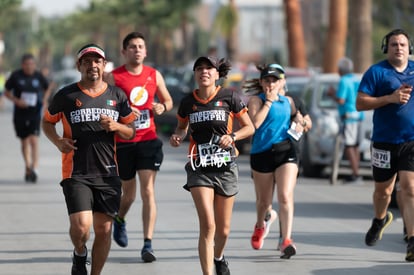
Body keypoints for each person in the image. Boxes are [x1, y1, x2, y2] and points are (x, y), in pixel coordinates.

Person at [42, 44, 136, 275]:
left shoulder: (117, 95)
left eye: (97, 61)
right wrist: (57, 141)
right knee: (81, 228)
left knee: (104, 231)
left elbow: (130, 130)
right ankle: (80, 252)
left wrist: (116, 126)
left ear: (104, 65)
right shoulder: (66, 95)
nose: (92, 66)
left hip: (108, 173)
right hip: (76, 172)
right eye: (87, 61)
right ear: (79, 66)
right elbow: (47, 122)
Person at [169, 56, 254, 275]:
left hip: (225, 167)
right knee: (208, 225)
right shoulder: (188, 102)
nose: (204, 72)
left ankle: (219, 256)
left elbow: (249, 128)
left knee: (223, 230)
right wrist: (177, 137)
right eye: (199, 68)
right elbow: (181, 128)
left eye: (209, 68)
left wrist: (233, 136)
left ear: (217, 74)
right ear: (195, 74)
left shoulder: (230, 97)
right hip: (199, 168)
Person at [105, 31, 173, 262]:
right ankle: (120, 219)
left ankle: (147, 244)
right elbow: (104, 104)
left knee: (148, 191)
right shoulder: (113, 77)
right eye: (132, 46)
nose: (137, 50)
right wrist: (122, 112)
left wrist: (162, 108)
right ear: (124, 51)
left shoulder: (154, 75)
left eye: (140, 46)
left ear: (146, 51)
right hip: (123, 142)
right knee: (129, 195)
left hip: (148, 140)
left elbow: (168, 100)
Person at [356, 28, 414, 262]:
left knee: (410, 188)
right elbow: (360, 103)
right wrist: (389, 99)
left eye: (402, 44)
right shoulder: (376, 72)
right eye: (394, 45)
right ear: (386, 48)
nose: (398, 48)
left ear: (409, 48)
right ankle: (380, 219)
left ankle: (412, 240)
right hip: (383, 142)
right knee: (384, 191)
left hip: (411, 141)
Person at [244, 63, 306, 259]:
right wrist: (269, 102)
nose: (271, 84)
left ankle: (286, 239)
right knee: (263, 202)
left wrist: (302, 123)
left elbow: (302, 119)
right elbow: (255, 124)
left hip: (286, 151)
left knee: (285, 196)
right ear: (262, 83)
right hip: (261, 153)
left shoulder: (289, 102)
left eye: (275, 80)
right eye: (267, 80)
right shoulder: (256, 100)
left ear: (282, 82)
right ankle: (261, 224)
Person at [4, 53, 51, 183]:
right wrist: (16, 101)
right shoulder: (16, 76)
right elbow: (6, 92)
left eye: (32, 64)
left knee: (34, 141)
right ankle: (28, 165)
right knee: (24, 142)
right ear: (22, 65)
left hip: (35, 113)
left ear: (34, 65)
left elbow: (48, 88)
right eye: (27, 64)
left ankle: (34, 169)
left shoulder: (38, 76)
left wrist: (44, 101)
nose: (30, 67)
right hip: (20, 113)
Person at [328, 57, 363, 183]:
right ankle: (356, 172)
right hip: (359, 115)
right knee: (355, 146)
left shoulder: (343, 80)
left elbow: (341, 100)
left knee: (349, 145)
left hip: (349, 116)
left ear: (340, 70)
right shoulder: (356, 79)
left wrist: (332, 94)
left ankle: (356, 174)